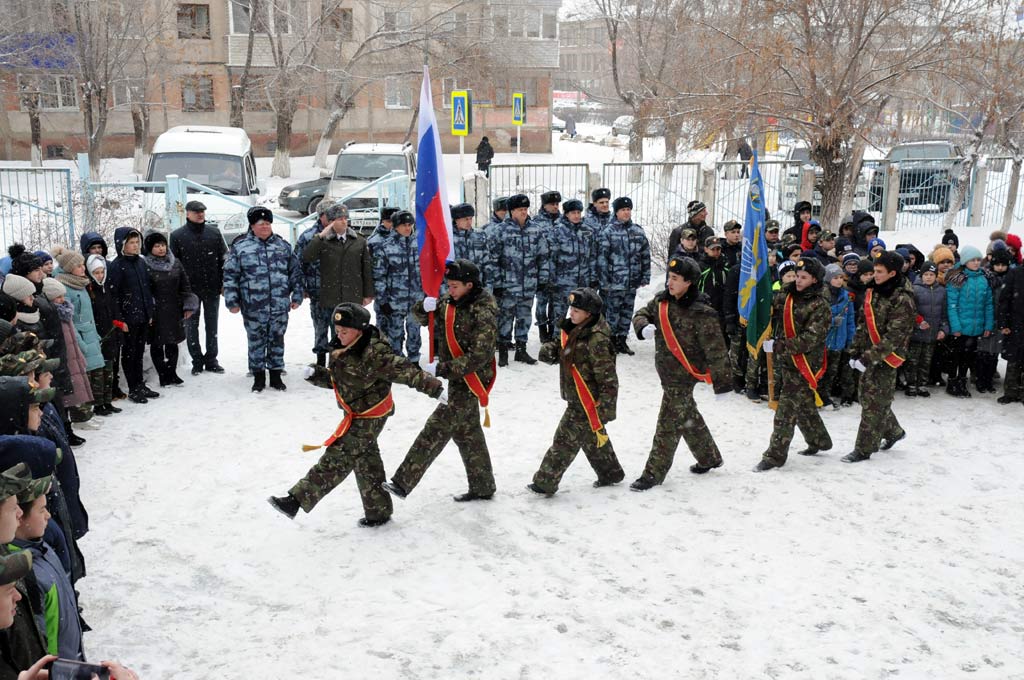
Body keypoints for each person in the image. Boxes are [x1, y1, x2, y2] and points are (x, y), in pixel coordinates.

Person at [267, 303, 444, 526]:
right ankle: (378, 511)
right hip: (355, 412)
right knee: (365, 460)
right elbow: (340, 380)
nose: (339, 336)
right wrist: (317, 375)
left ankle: (295, 501)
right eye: (337, 331)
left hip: (371, 414)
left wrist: (435, 388)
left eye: (344, 331)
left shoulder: (374, 353)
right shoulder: (343, 348)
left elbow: (406, 371)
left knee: (339, 456)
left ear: (359, 330)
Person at [383, 261, 498, 503]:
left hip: (472, 377)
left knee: (436, 428)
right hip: (456, 376)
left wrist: (444, 369)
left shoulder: (484, 309)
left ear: (470, 285)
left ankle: (403, 482)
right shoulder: (449, 300)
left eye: (454, 286)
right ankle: (483, 486)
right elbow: (422, 318)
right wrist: (423, 308)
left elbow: (481, 355)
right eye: (448, 285)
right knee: (467, 433)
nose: (450, 290)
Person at [631, 257, 731, 492]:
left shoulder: (702, 313)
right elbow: (641, 313)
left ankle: (653, 473)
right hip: (666, 374)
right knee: (687, 417)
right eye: (669, 277)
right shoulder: (661, 301)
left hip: (685, 377)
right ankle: (709, 457)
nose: (670, 282)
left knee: (668, 423)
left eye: (675, 279)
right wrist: (642, 326)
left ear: (689, 282)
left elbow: (716, 351)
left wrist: (723, 384)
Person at [527, 288, 624, 496]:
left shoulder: (596, 339)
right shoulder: (574, 330)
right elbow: (557, 354)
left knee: (564, 441)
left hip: (587, 400)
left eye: (577, 310)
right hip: (577, 396)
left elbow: (608, 379)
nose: (571, 313)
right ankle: (611, 472)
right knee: (591, 437)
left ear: (589, 314)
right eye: (571, 308)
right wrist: (551, 348)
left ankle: (545, 482)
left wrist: (606, 408)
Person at [754, 257, 833, 471]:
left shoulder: (820, 305)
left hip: (806, 361)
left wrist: (780, 346)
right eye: (796, 276)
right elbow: (768, 302)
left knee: (786, 408)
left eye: (803, 277)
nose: (798, 281)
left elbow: (810, 338)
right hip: (787, 357)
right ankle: (819, 440)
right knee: (804, 402)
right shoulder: (788, 294)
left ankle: (774, 456)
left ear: (815, 280)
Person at [843, 251, 916, 463]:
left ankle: (863, 449)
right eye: (874, 271)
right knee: (869, 398)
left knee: (874, 403)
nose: (874, 275)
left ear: (893, 273)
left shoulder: (903, 299)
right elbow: (863, 323)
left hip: (887, 356)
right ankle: (893, 431)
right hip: (867, 352)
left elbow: (894, 336)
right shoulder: (873, 291)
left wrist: (868, 357)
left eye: (879, 272)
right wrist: (855, 350)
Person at [223, 206, 303, 392]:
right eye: (261, 224)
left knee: (277, 339)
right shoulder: (240, 248)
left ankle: (275, 375)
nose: (265, 227)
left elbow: (295, 274)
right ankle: (258, 376)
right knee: (256, 341)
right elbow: (230, 276)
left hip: (279, 305)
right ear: (252, 226)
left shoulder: (283, 247)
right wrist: (232, 301)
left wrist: (297, 295)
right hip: (253, 305)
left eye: (267, 223)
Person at [10, 474, 84, 660]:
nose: (48, 515)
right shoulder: (22, 573)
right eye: (42, 510)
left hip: (70, 658)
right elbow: (36, 639)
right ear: (19, 517)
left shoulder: (41, 547)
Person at [301, 202, 374, 362]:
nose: (343, 221)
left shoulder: (359, 241)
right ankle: (321, 362)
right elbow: (307, 257)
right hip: (329, 295)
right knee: (323, 330)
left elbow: (366, 269)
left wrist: (368, 294)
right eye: (339, 219)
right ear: (331, 221)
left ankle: (342, 364)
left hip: (351, 295)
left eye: (345, 218)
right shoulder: (323, 241)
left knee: (347, 332)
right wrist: (321, 236)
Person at [490, 194, 549, 366]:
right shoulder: (500, 231)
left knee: (525, 318)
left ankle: (521, 350)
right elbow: (493, 259)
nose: (524, 212)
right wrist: (498, 284)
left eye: (525, 209)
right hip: (508, 286)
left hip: (528, 284)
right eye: (519, 210)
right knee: (505, 319)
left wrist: (543, 279)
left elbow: (543, 257)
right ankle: (502, 352)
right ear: (511, 211)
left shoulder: (535, 230)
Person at [169, 200, 227, 376]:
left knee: (212, 325)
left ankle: (211, 359)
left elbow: (224, 259)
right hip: (189, 291)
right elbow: (173, 265)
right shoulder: (178, 235)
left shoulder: (214, 233)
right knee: (191, 326)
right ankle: (197, 360)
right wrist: (179, 289)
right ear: (187, 214)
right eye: (196, 211)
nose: (200, 214)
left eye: (202, 211)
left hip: (212, 287)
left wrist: (223, 282)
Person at [50, 248, 105, 421]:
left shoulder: (80, 283)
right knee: (81, 376)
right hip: (79, 337)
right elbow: (70, 320)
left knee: (91, 374)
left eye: (83, 265)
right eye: (79, 266)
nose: (83, 269)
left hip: (90, 334)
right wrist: (81, 342)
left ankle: (89, 411)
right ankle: (81, 414)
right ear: (68, 268)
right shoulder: (65, 287)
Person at [107, 228, 158, 404]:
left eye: (137, 242)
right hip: (128, 318)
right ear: (122, 244)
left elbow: (146, 289)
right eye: (131, 243)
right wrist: (120, 319)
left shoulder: (141, 263)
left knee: (138, 351)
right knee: (129, 353)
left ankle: (140, 384)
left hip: (142, 314)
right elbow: (113, 296)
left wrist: (149, 312)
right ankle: (133, 387)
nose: (135, 246)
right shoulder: (117, 266)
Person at [596, 196, 651, 355]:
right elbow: (602, 258)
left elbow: (645, 256)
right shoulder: (608, 232)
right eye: (623, 210)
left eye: (628, 209)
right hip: (614, 283)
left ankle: (622, 340)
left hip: (631, 282)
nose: (626, 213)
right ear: (617, 212)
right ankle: (610, 341)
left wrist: (645, 275)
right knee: (612, 314)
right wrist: (604, 280)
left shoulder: (638, 232)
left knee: (627, 312)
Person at [143, 231, 198, 388]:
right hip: (156, 309)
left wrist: (188, 304)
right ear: (149, 248)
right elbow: (145, 289)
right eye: (157, 246)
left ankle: (172, 373)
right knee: (157, 342)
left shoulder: (176, 262)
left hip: (174, 307)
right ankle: (162, 375)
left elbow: (185, 285)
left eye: (163, 245)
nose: (161, 248)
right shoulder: (145, 265)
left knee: (173, 342)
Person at [40, 280, 95, 426]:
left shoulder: (65, 311)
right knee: (69, 390)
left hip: (72, 353)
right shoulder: (53, 314)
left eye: (62, 296)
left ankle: (82, 415)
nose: (62, 300)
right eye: (58, 297)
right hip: (64, 356)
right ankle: (74, 418)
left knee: (77, 386)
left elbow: (73, 334)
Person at [372, 210, 422, 362]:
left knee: (415, 332)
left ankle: (414, 360)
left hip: (415, 298)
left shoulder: (419, 245)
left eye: (410, 225)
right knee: (395, 333)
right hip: (394, 300)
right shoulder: (384, 247)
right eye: (403, 225)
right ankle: (397, 362)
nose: (407, 228)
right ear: (395, 227)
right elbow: (378, 276)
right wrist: (383, 300)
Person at [944, 245, 993, 398]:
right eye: (973, 260)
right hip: (960, 326)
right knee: (956, 355)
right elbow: (952, 305)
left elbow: (988, 304)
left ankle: (962, 381)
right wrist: (956, 326)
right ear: (965, 261)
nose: (977, 262)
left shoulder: (984, 278)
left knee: (968, 356)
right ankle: (952, 382)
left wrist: (988, 324)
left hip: (976, 326)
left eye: (979, 259)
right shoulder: (958, 278)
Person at [293, 200, 336, 367]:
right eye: (329, 216)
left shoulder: (342, 235)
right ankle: (320, 360)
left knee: (339, 327)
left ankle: (336, 360)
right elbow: (298, 263)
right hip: (317, 290)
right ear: (321, 216)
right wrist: (302, 287)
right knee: (320, 326)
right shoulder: (309, 236)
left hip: (339, 290)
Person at [547, 199, 597, 324]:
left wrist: (593, 277)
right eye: (573, 213)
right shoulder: (557, 232)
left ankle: (579, 341)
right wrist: (551, 280)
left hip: (583, 282)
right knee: (560, 315)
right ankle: (558, 341)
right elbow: (551, 258)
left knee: (583, 314)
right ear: (566, 214)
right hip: (563, 283)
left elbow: (593, 256)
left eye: (578, 213)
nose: (576, 216)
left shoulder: (588, 231)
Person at [84, 254, 121, 416]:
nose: (100, 275)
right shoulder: (90, 291)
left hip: (110, 334)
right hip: (98, 336)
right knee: (98, 373)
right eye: (96, 272)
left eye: (102, 272)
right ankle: (98, 404)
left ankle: (107, 400)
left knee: (109, 370)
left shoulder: (107, 289)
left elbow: (114, 310)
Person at [906, 262, 947, 397]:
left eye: (931, 275)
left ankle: (922, 384)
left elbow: (944, 314)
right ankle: (911, 384)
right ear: (921, 275)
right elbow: (909, 311)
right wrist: (918, 323)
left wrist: (943, 329)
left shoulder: (941, 291)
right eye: (926, 275)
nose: (929, 277)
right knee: (913, 361)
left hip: (931, 335)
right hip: (916, 334)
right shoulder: (914, 289)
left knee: (926, 361)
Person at [820, 264, 856, 409]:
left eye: (841, 277)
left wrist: (850, 339)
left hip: (839, 341)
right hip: (823, 341)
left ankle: (826, 395)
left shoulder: (846, 297)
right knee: (820, 370)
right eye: (835, 278)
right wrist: (831, 321)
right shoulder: (821, 295)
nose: (839, 281)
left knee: (831, 371)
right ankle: (817, 395)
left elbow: (850, 320)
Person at [977, 250, 1010, 393]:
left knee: (994, 354)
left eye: (1003, 265)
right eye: (997, 264)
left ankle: (989, 380)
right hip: (986, 319)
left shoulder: (1010, 279)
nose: (1000, 267)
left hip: (1001, 321)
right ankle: (980, 380)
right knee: (982, 352)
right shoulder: (986, 277)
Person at [533, 190, 562, 343]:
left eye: (557, 204)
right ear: (544, 205)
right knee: (542, 303)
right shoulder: (536, 222)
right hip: (542, 270)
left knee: (556, 304)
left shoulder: (563, 222)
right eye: (552, 204)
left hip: (560, 271)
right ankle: (542, 329)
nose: (555, 207)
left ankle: (553, 329)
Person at [997, 256, 1024, 404]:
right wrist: (1003, 323)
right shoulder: (1015, 273)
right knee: (1014, 359)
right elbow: (1004, 300)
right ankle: (1011, 391)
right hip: (1015, 324)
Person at [451, 203, 493, 289]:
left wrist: (488, 287)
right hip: (455, 289)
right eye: (466, 219)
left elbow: (487, 263)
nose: (469, 222)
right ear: (456, 220)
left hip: (476, 287)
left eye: (470, 219)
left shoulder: (479, 235)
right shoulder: (448, 238)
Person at [697, 237, 729, 344]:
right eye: (713, 249)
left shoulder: (725, 265)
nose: (716, 252)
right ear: (706, 249)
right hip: (706, 308)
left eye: (718, 249)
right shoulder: (701, 267)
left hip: (722, 308)